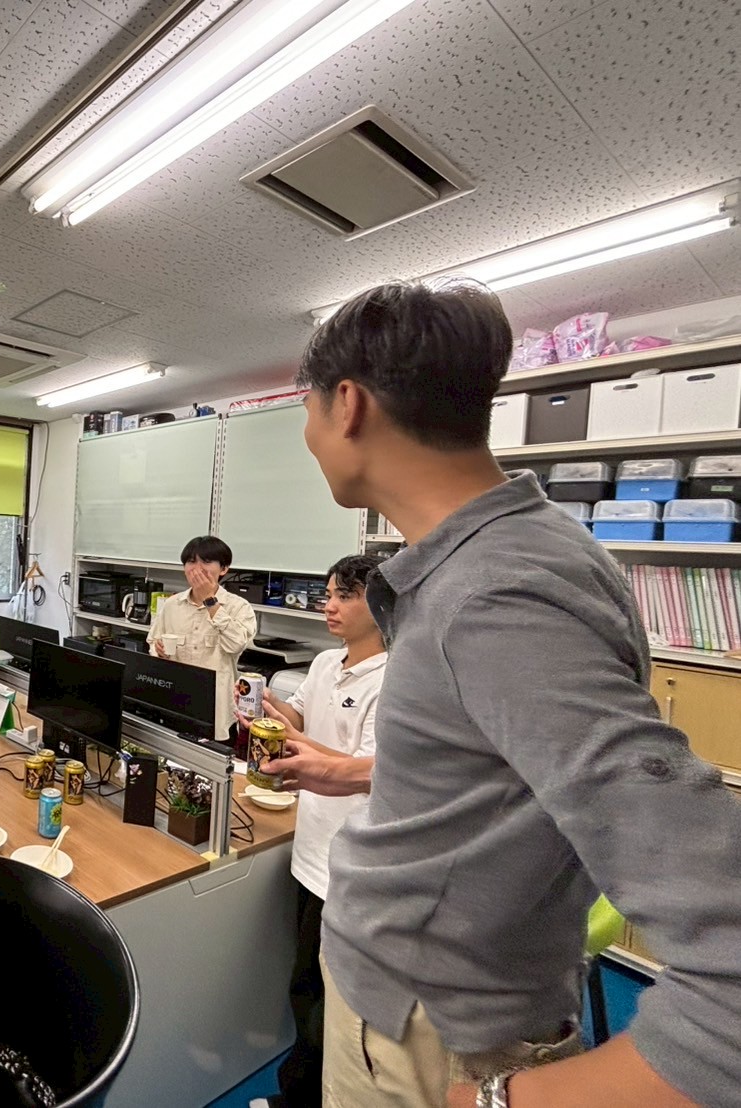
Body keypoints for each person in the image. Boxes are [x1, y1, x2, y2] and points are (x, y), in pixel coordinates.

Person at [297, 281, 741, 1107]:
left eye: (307, 408)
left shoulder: (495, 592)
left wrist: (511, 1102)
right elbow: (493, 776)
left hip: (433, 1029)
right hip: (413, 994)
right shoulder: (521, 555)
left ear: (346, 405)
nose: (306, 435)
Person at [243, 553, 386, 1108]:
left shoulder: (393, 678)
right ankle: (304, 1093)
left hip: (349, 865)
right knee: (305, 984)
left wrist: (298, 745)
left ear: (381, 605)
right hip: (309, 851)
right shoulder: (326, 662)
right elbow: (300, 721)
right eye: (328, 594)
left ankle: (303, 1099)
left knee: (331, 1002)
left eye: (344, 596)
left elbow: (368, 771)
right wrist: (268, 709)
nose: (329, 606)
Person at [145, 535, 257, 741]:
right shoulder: (172, 605)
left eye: (206, 561)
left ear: (224, 569)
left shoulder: (239, 607)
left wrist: (209, 600)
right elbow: (152, 641)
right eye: (191, 561)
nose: (197, 568)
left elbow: (235, 645)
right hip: (175, 700)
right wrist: (158, 650)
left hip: (217, 709)